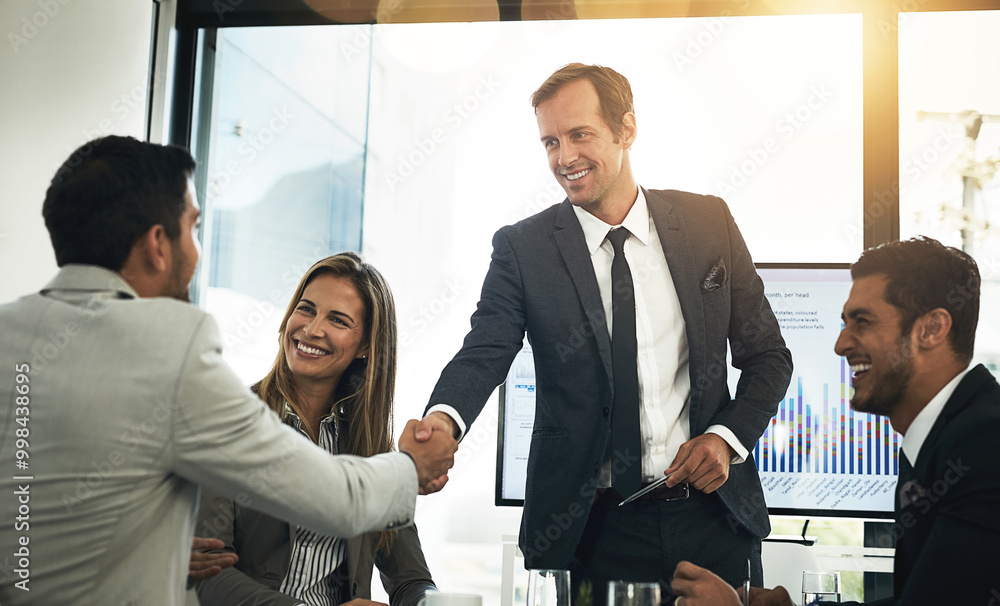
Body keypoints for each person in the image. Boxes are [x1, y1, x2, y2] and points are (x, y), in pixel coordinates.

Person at [0, 136, 455, 605]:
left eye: (338, 320)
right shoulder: (173, 345)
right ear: (159, 244)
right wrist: (411, 467)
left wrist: (168, 551)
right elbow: (334, 497)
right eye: (193, 228)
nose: (197, 254)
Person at [415, 63, 792, 597]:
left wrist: (727, 439)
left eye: (579, 135)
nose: (564, 157)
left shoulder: (708, 224)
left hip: (713, 518)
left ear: (627, 130)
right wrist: (443, 424)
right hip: (593, 530)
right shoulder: (524, 250)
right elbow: (485, 351)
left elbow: (769, 357)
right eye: (550, 142)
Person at [671, 237, 1000, 606]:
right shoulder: (951, 435)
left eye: (863, 322)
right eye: (845, 324)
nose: (841, 344)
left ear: (932, 329)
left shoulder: (984, 447)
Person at [196, 252, 436, 606]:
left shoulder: (373, 448)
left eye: (337, 320)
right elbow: (207, 576)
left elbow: (412, 580)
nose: (311, 329)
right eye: (306, 309)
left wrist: (433, 602)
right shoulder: (226, 423)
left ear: (366, 346)